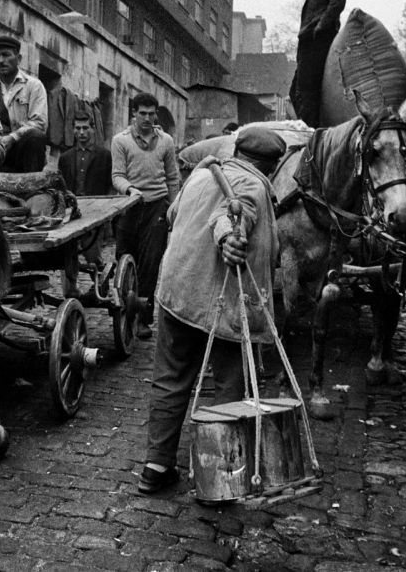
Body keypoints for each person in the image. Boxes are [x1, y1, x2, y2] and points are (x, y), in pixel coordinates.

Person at [138, 126, 287, 494]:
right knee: (229, 388)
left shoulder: (202, 174)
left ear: (237, 150)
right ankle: (221, 478)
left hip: (176, 293)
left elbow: (173, 215)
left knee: (170, 380)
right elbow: (232, 215)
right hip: (224, 308)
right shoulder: (252, 187)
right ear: (272, 166)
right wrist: (228, 241)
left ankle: (156, 467)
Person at [111, 93, 181, 339]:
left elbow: (173, 178)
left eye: (152, 114)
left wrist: (174, 208)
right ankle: (122, 314)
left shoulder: (166, 142)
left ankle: (144, 319)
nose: (147, 118)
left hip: (156, 208)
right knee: (125, 260)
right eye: (143, 113)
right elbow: (117, 175)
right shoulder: (120, 141)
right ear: (134, 113)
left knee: (150, 265)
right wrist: (130, 190)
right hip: (130, 207)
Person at [58, 108, 114, 298]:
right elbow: (61, 187)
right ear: (73, 131)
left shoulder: (104, 156)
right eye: (77, 129)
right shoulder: (65, 158)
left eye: (85, 128)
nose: (81, 133)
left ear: (92, 130)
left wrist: (106, 213)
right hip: (71, 212)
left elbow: (110, 185)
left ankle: (101, 281)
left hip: (94, 211)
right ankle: (72, 287)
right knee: (68, 250)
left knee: (92, 254)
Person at [0, 35, 48, 173]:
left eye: (6, 55)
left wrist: (12, 138)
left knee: (35, 136)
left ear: (18, 59)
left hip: (20, 150)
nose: (1, 60)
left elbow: (39, 122)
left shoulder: (33, 86)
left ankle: (31, 186)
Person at [292, 0, 347, 128]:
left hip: (318, 43)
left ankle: (313, 135)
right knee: (296, 92)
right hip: (309, 44)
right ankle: (312, 129)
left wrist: (322, 25)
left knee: (308, 94)